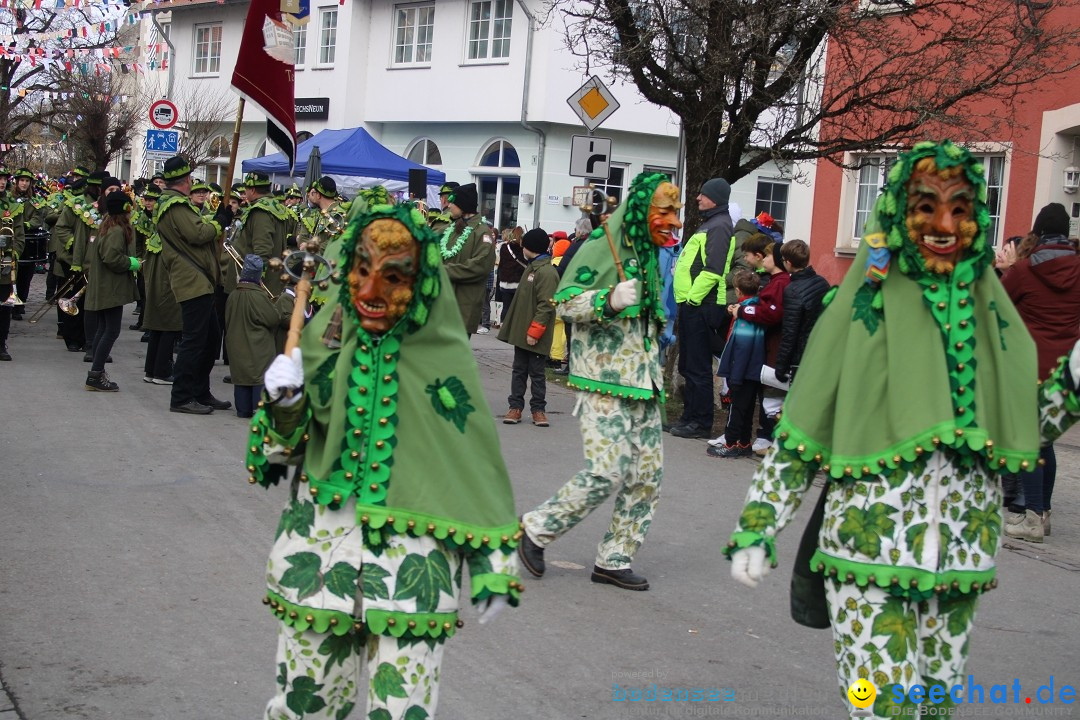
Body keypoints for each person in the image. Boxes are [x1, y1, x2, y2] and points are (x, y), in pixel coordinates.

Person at [724, 141, 1080, 717]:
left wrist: (1075, 381)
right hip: (868, 551)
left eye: (960, 208)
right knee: (880, 709)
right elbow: (805, 428)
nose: (944, 225)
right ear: (896, 213)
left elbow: (1025, 428)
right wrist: (758, 526)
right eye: (926, 207)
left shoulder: (991, 312)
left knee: (934, 710)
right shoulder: (860, 305)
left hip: (961, 562)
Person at [247, 202, 521, 720]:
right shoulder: (322, 342)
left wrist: (491, 564)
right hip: (319, 561)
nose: (371, 293)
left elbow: (475, 465)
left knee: (401, 712)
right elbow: (280, 455)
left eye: (393, 278)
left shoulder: (446, 363)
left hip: (413, 570)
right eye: (362, 272)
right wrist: (284, 405)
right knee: (303, 707)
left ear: (420, 285)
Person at [518, 172, 681, 592]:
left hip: (644, 381)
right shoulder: (598, 244)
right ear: (644, 210)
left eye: (677, 212)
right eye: (666, 212)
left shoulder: (651, 254)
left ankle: (614, 558)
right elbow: (566, 302)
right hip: (603, 380)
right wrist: (607, 300)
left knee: (647, 474)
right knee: (608, 470)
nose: (675, 221)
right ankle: (535, 530)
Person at [999, 202, 1080, 542]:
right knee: (1046, 441)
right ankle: (1043, 512)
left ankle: (1030, 518)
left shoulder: (1024, 270)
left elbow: (998, 309)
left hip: (1030, 368)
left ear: (1038, 231)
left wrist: (1007, 270)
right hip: (1070, 372)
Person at [156, 155, 235, 414]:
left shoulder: (176, 203)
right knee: (194, 341)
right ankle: (181, 397)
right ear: (186, 180)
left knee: (211, 338)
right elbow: (198, 234)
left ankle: (200, 392)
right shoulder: (175, 205)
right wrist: (220, 222)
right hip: (191, 280)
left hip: (199, 279)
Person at [670, 177, 736, 439]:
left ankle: (700, 422)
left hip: (702, 304)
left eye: (703, 194)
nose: (697, 198)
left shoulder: (719, 226)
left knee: (698, 367)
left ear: (716, 198)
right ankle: (689, 417)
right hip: (692, 303)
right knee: (689, 364)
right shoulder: (711, 223)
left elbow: (713, 270)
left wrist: (693, 300)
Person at [498, 227, 558, 426]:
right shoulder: (532, 268)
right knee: (519, 370)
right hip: (523, 332)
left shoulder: (546, 272)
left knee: (537, 373)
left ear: (530, 247)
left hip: (535, 333)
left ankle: (538, 410)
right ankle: (515, 407)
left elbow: (546, 305)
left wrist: (535, 331)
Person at [83, 190, 139, 391]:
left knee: (103, 329)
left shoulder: (108, 226)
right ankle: (96, 374)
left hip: (106, 287)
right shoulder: (116, 230)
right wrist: (131, 263)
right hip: (110, 289)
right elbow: (111, 257)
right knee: (111, 331)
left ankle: (96, 372)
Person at [708, 269, 765, 458]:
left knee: (735, 408)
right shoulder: (756, 310)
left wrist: (735, 374)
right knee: (747, 409)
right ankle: (744, 442)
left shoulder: (744, 318)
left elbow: (742, 347)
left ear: (739, 291)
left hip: (741, 370)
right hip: (753, 369)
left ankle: (731, 443)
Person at [225, 254, 281, 418]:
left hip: (236, 346)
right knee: (258, 377)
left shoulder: (233, 295)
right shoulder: (259, 296)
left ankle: (242, 410)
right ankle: (259, 409)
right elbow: (273, 319)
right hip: (258, 347)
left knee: (241, 378)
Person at [440, 183, 496, 336]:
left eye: (453, 202)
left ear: (463, 206)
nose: (449, 205)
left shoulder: (482, 232)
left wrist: (442, 271)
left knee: (454, 356)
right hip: (443, 302)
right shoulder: (452, 229)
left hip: (463, 305)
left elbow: (481, 265)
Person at [139, 186, 182, 385]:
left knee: (157, 327)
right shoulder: (168, 238)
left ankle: (151, 369)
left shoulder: (157, 235)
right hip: (167, 286)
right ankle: (162, 371)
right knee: (168, 326)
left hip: (156, 287)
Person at [774, 239, 829, 384]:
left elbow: (790, 332)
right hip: (821, 349)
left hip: (802, 356)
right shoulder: (822, 282)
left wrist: (780, 367)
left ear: (789, 263)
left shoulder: (792, 291)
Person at [0, 167, 27, 362]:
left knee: (4, 306)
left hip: (5, 264)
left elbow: (19, 236)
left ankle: (1, 343)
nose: (2, 182)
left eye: (3, 179)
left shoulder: (12, 206)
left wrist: (13, 253)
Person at [295, 176, 347, 255]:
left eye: (313, 193)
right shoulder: (323, 212)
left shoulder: (338, 215)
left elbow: (332, 245)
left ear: (318, 195)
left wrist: (309, 247)